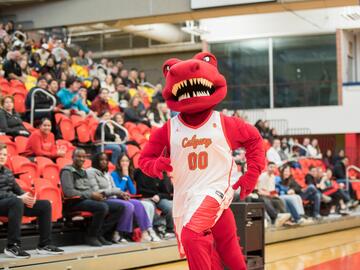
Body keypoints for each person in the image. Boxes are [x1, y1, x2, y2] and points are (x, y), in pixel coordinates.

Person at [0, 143, 64, 258]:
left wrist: (27, 197)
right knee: (17, 201)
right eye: (0, 154)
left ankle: (44, 244)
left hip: (11, 204)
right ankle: (12, 246)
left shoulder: (8, 172)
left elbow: (18, 190)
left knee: (45, 205)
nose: (2, 156)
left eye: (4, 154)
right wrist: (18, 198)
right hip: (6, 203)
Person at [88, 152, 159, 242]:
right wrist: (125, 177)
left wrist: (127, 178)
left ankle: (146, 232)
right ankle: (119, 233)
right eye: (122, 161)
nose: (125, 163)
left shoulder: (111, 173)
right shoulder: (114, 174)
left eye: (127, 161)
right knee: (131, 205)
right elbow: (118, 188)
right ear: (118, 162)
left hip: (117, 196)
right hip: (110, 197)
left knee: (143, 204)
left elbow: (133, 191)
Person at [60, 148, 124, 247]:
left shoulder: (83, 171)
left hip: (86, 200)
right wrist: (91, 195)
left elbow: (89, 189)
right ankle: (91, 235)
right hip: (74, 202)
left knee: (118, 207)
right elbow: (69, 192)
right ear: (72, 157)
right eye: (79, 156)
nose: (81, 159)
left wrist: (97, 196)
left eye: (83, 157)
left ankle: (100, 234)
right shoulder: (67, 171)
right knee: (102, 207)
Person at [133, 168, 175, 239]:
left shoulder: (162, 172)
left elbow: (167, 193)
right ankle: (157, 228)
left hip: (159, 198)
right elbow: (140, 190)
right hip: (145, 197)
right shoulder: (140, 171)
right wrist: (153, 196)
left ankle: (169, 230)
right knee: (151, 206)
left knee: (170, 206)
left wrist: (159, 196)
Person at [257, 162, 292, 227]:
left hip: (269, 195)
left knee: (279, 200)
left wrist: (275, 194)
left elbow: (272, 190)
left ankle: (285, 219)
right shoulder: (262, 176)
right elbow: (259, 190)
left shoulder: (273, 177)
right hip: (262, 195)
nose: (272, 169)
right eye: (271, 167)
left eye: (274, 167)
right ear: (267, 167)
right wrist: (269, 194)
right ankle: (276, 217)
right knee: (266, 200)